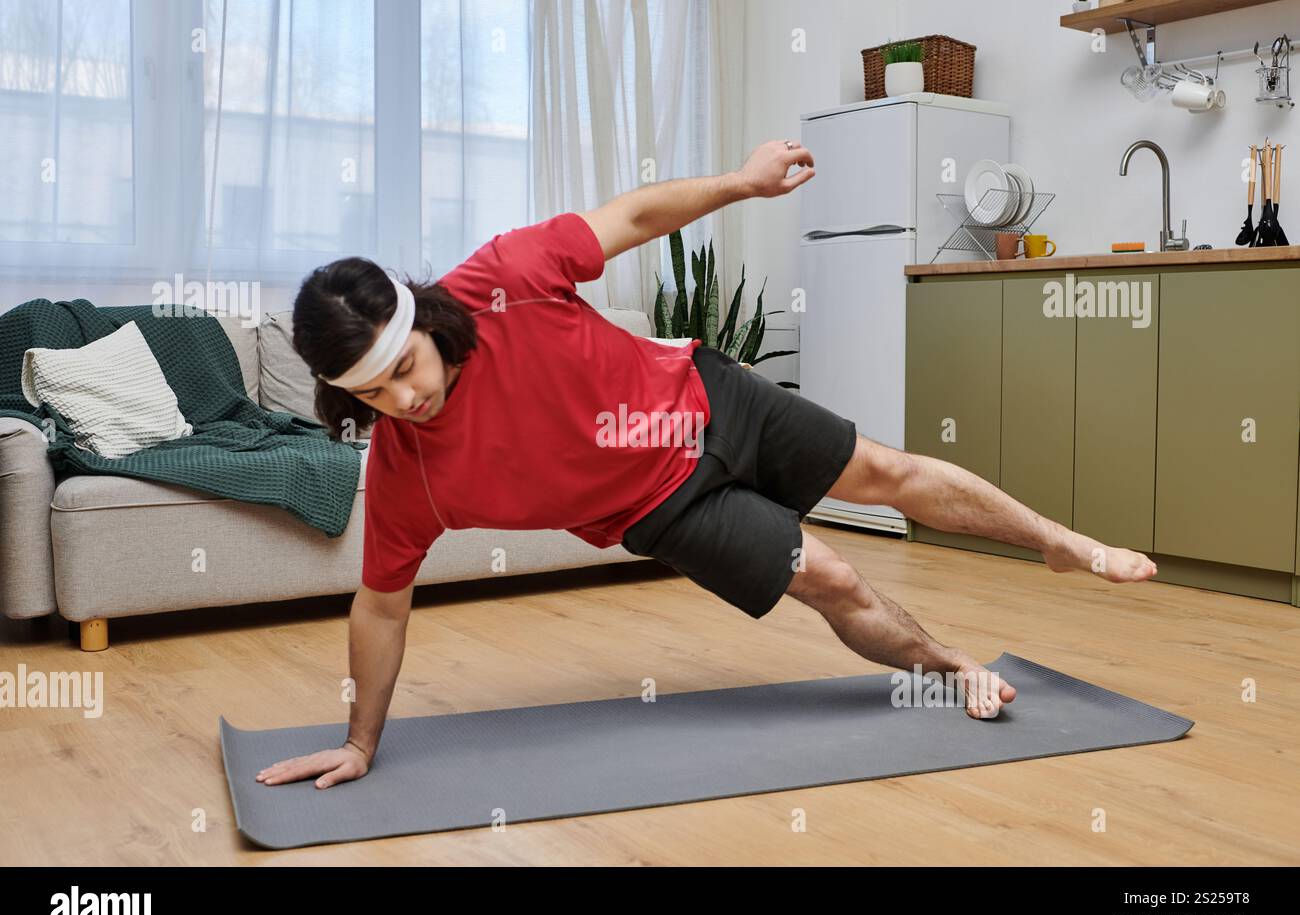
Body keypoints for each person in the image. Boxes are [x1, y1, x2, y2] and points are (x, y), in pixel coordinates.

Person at [255, 140, 1158, 791]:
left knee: (887, 474)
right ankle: (953, 664)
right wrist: (362, 742)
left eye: (404, 371)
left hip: (702, 395)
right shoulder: (409, 473)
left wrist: (744, 182)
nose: (402, 401)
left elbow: (636, 217)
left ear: (420, 324)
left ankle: (1056, 540)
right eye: (370, 395)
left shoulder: (503, 278)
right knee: (831, 573)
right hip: (660, 508)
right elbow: (380, 603)